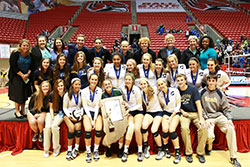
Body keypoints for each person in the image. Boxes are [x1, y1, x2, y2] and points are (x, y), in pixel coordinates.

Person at [200, 74, 241, 167]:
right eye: (209, 81)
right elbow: (201, 108)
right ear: (207, 82)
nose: (211, 83)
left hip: (219, 116)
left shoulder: (220, 93)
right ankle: (209, 147)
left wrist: (229, 119)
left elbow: (226, 108)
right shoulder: (202, 92)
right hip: (209, 117)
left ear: (216, 82)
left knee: (231, 128)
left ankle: (233, 157)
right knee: (210, 136)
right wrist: (205, 118)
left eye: (213, 81)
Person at [176, 74, 208, 164]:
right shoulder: (176, 91)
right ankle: (189, 153)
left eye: (181, 80)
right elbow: (176, 105)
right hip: (184, 114)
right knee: (185, 129)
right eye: (178, 81)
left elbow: (198, 104)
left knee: (204, 128)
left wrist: (201, 118)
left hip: (195, 113)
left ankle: (200, 153)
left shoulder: (193, 89)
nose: (180, 82)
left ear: (185, 80)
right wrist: (182, 112)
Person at [157, 78, 182, 164]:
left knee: (171, 129)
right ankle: (166, 149)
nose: (161, 86)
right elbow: (162, 106)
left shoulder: (174, 91)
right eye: (159, 85)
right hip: (166, 113)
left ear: (165, 83)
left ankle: (177, 152)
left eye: (162, 84)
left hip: (175, 113)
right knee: (164, 129)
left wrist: (171, 117)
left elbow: (178, 104)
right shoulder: (159, 94)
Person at [120, 73, 144, 162]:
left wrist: (129, 109)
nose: (127, 81)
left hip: (138, 111)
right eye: (126, 79)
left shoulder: (136, 89)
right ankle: (125, 150)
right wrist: (124, 104)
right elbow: (124, 101)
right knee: (130, 128)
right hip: (129, 111)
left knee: (137, 128)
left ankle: (140, 150)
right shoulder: (122, 89)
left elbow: (139, 104)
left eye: (129, 79)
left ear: (132, 81)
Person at [139, 79, 163, 160]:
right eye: (141, 84)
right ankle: (146, 147)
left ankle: (160, 149)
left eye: (144, 83)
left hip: (158, 112)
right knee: (144, 126)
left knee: (154, 130)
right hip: (149, 112)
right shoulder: (141, 93)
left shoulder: (154, 89)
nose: (143, 85)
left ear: (147, 84)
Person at [8, 39, 33, 118]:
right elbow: (13, 66)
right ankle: (17, 111)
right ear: (20, 46)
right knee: (18, 95)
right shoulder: (15, 54)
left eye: (27, 46)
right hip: (16, 77)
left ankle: (23, 110)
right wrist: (22, 75)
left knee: (24, 94)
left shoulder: (30, 55)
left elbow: (31, 66)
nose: (25, 47)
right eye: (24, 45)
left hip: (26, 76)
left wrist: (27, 74)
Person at [81, 74, 103, 163]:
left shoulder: (100, 90)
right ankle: (88, 151)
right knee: (88, 129)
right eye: (92, 79)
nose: (94, 81)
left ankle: (96, 149)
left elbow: (98, 105)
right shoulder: (84, 91)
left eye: (96, 80)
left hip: (96, 112)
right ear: (89, 80)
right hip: (87, 112)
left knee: (98, 129)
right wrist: (90, 119)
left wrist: (94, 120)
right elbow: (85, 106)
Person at [101, 79, 124, 158]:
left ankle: (120, 148)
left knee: (121, 128)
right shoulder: (103, 95)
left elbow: (122, 103)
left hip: (118, 114)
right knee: (107, 128)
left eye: (108, 84)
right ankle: (108, 148)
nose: (107, 86)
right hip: (109, 116)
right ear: (104, 87)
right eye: (105, 85)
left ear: (111, 84)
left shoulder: (117, 92)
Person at [43, 79, 65, 157]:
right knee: (47, 127)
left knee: (54, 126)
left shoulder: (66, 94)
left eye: (61, 85)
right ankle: (46, 149)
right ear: (56, 86)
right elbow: (51, 108)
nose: (60, 87)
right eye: (58, 86)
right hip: (52, 113)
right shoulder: (52, 95)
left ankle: (56, 147)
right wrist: (52, 118)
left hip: (61, 114)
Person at [63, 78, 83, 160]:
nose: (77, 86)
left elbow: (83, 106)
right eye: (76, 84)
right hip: (68, 115)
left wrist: (80, 115)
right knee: (71, 128)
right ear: (72, 85)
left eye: (79, 84)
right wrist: (70, 115)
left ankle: (76, 148)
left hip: (78, 115)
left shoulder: (82, 93)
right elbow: (64, 108)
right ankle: (69, 149)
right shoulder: (67, 94)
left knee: (77, 128)